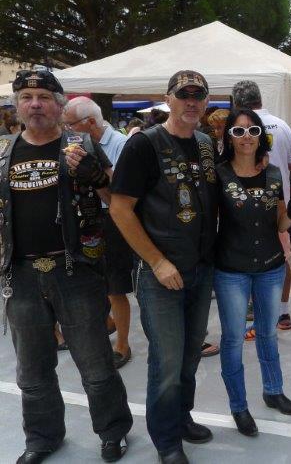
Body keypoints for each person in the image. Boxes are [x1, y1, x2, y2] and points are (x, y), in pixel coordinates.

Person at [3, 70, 132, 464]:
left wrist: (96, 176)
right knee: (32, 370)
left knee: (96, 364)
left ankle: (113, 431)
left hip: (76, 271)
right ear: (17, 105)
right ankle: (42, 438)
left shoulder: (82, 145)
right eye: (27, 97)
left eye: (44, 96)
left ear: (59, 105)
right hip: (21, 274)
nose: (35, 104)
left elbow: (117, 200)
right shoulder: (4, 153)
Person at [110, 70, 218, 464]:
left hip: (201, 268)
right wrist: (156, 261)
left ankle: (181, 417)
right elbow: (120, 209)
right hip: (161, 273)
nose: (191, 101)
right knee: (168, 360)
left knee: (190, 354)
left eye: (198, 95)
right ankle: (167, 442)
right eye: (183, 94)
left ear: (205, 101)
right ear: (167, 98)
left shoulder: (206, 143)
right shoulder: (144, 144)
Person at [213, 108, 291, 437]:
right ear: (229, 138)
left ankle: (273, 390)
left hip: (270, 266)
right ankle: (239, 406)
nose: (246, 137)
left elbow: (281, 224)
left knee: (267, 332)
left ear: (262, 136)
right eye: (238, 131)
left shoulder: (274, 173)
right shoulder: (218, 175)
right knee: (233, 340)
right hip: (231, 269)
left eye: (253, 130)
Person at [63, 97, 135, 370]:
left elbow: (122, 193)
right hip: (88, 217)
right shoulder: (77, 144)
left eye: (70, 124)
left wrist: (96, 173)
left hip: (113, 219)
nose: (67, 129)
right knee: (96, 280)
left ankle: (123, 344)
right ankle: (108, 322)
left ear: (90, 121)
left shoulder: (121, 144)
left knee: (116, 285)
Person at [232, 80, 291, 330]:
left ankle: (252, 307)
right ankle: (283, 312)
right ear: (260, 98)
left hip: (242, 206)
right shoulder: (281, 125)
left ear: (237, 103)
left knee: (246, 255)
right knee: (282, 257)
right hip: (278, 204)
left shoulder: (235, 129)